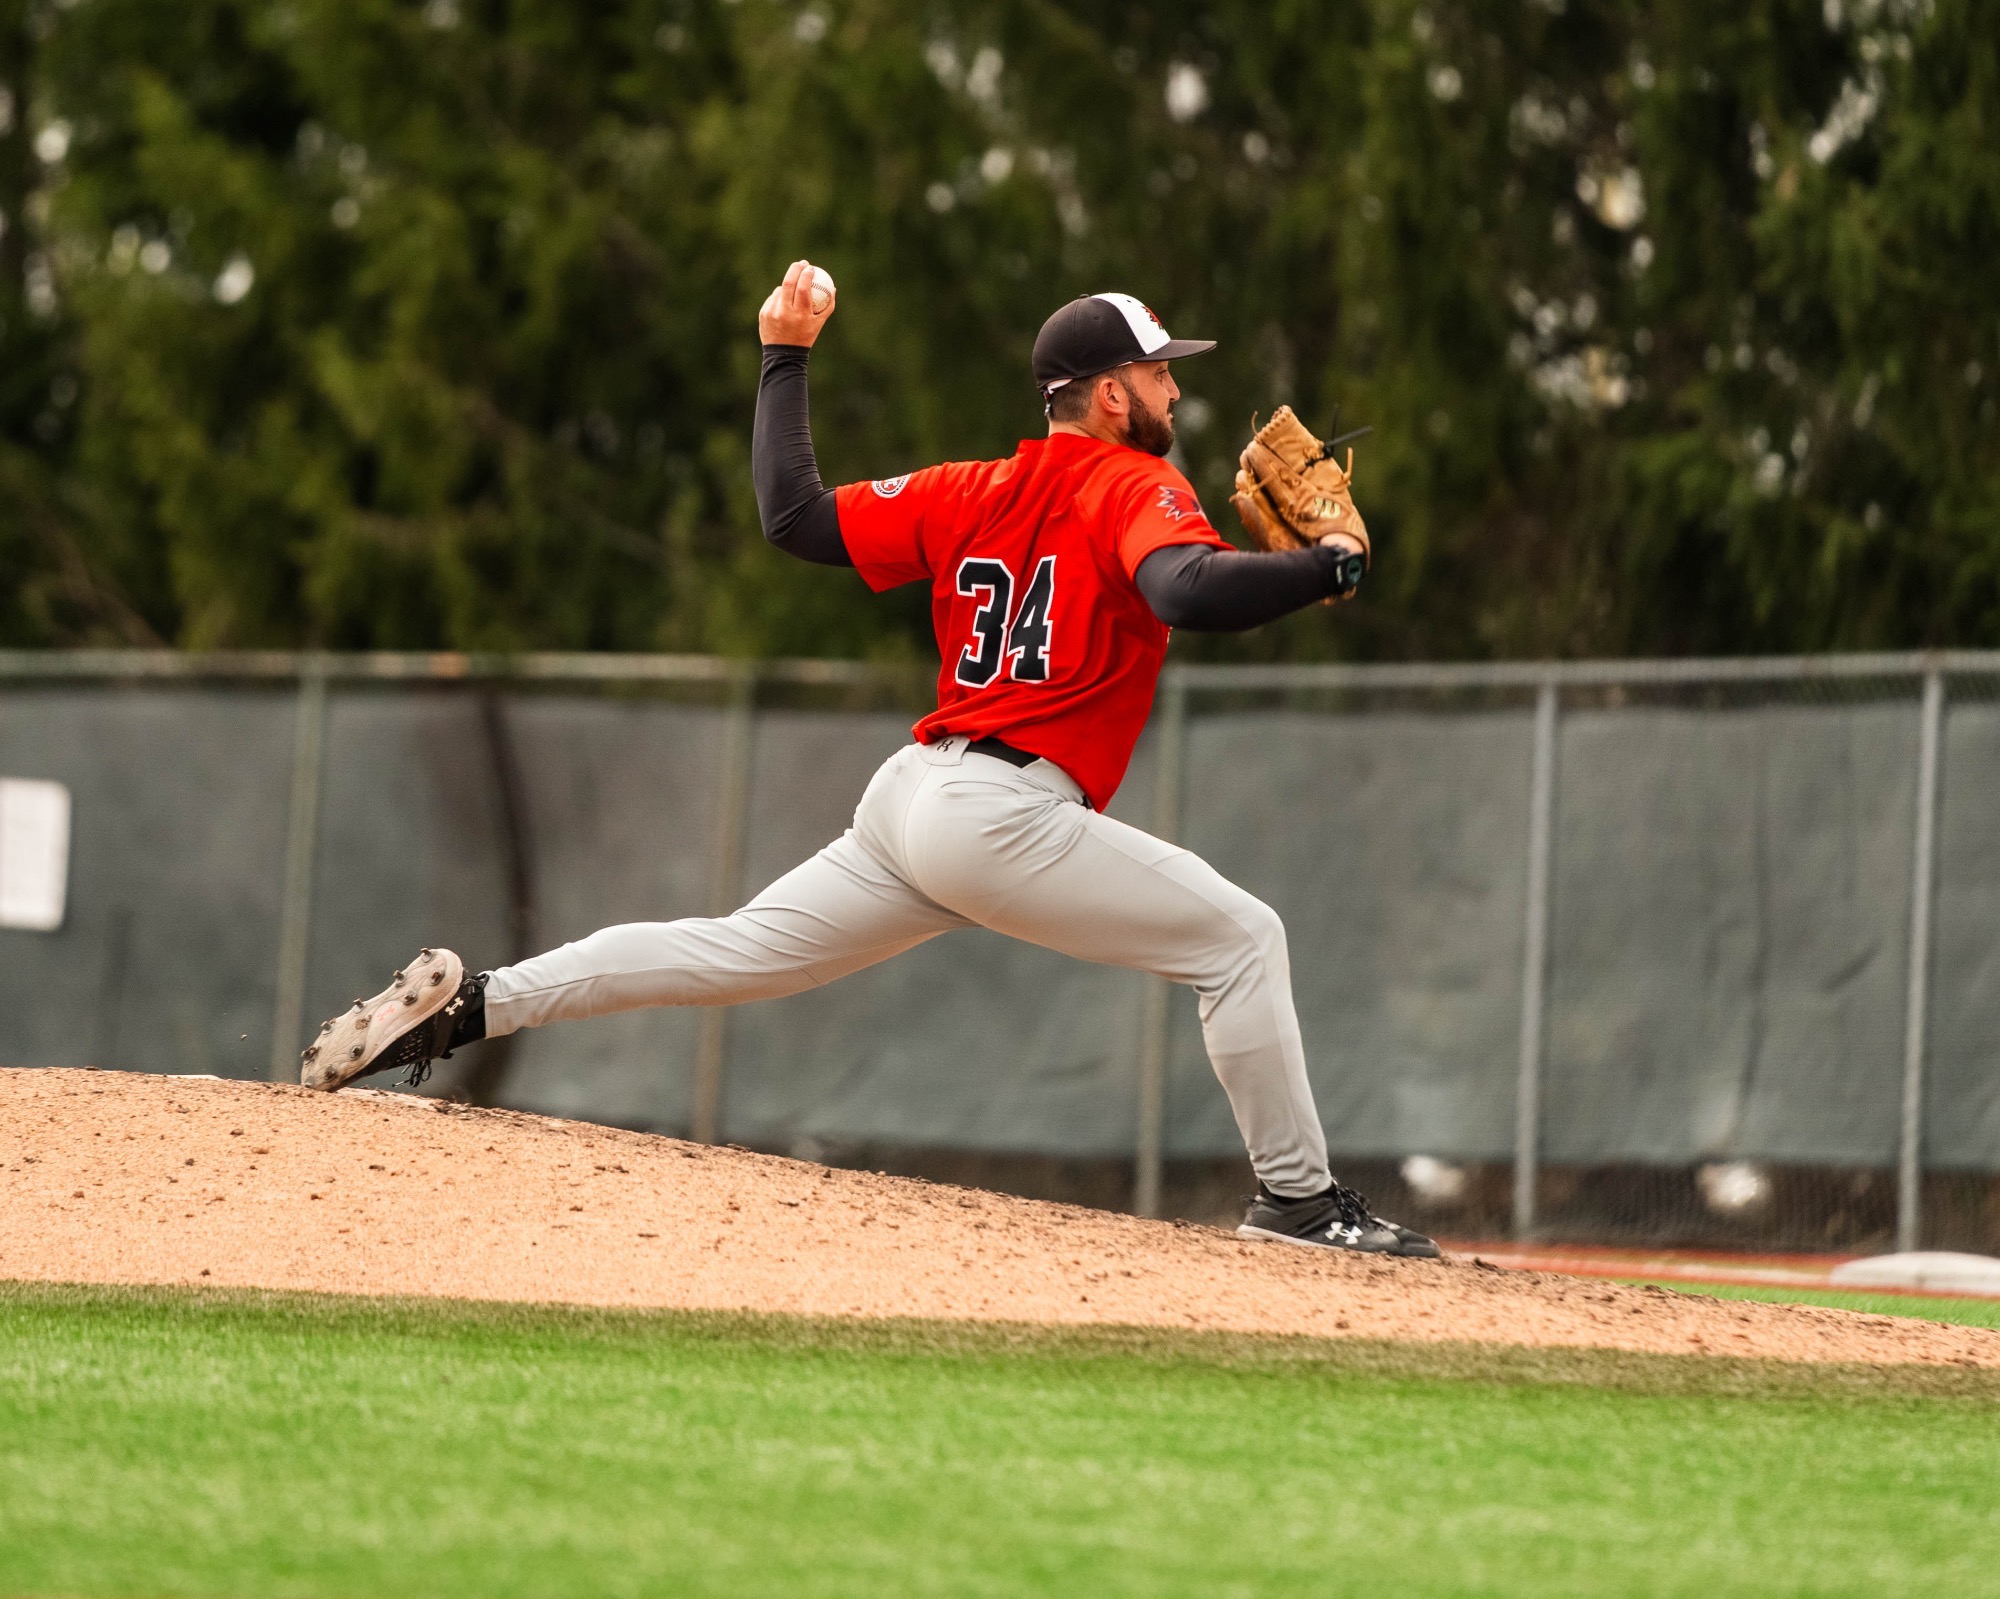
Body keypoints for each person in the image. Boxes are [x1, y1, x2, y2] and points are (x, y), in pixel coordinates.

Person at [301, 262, 1440, 1259]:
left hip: (913, 801)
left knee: (732, 948)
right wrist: (1323, 569)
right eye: (1156, 374)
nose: (1174, 391)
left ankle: (465, 1010)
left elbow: (792, 516)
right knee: (1242, 941)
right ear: (1107, 394)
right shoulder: (1133, 483)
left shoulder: (969, 488)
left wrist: (782, 359)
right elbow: (1182, 590)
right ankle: (1298, 1203)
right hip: (999, 815)